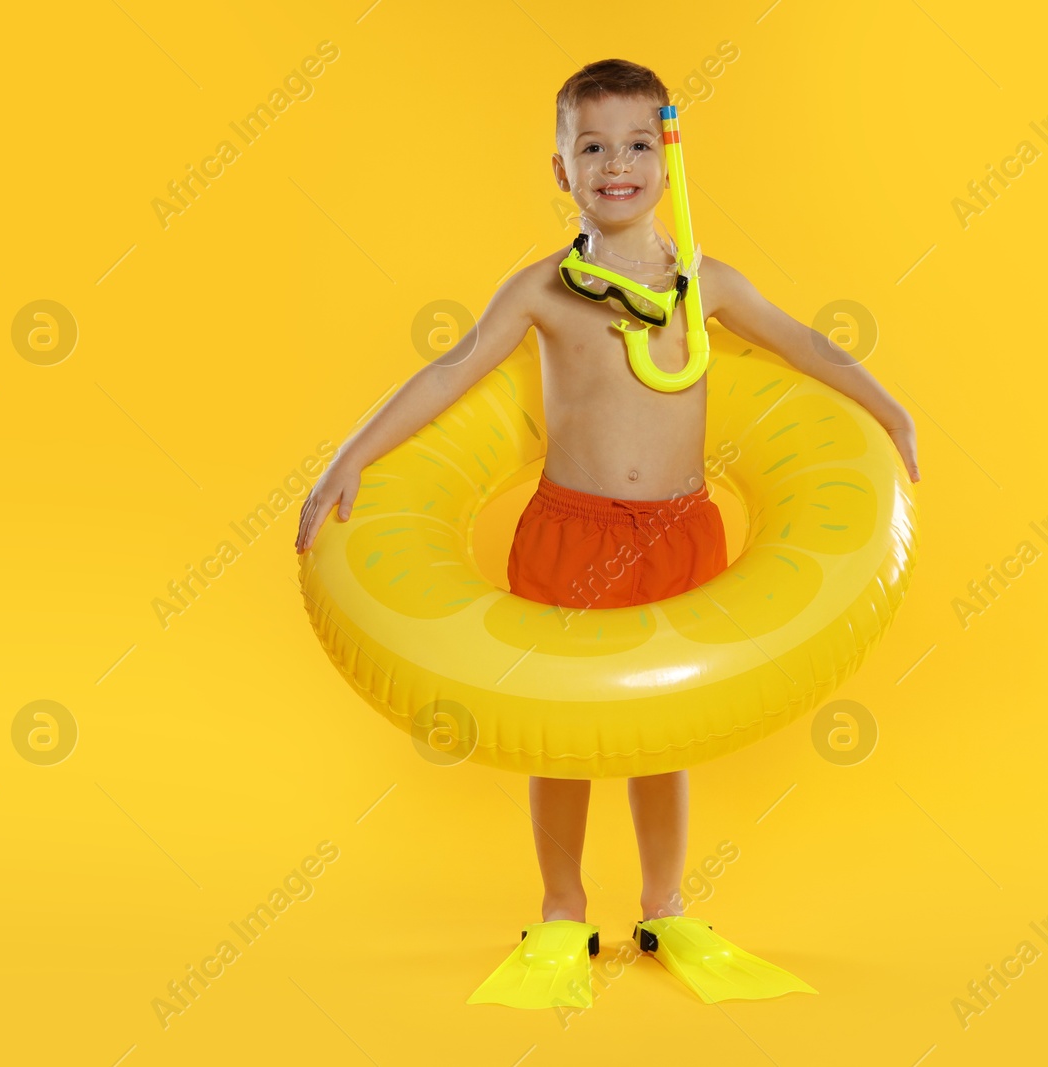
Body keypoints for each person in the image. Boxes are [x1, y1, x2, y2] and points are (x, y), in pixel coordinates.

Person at [296, 57, 920, 1008]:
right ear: (562, 170)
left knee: (658, 731)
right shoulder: (544, 291)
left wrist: (887, 407)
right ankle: (560, 909)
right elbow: (449, 373)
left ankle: (665, 904)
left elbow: (803, 341)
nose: (615, 164)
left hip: (679, 532)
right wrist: (349, 453)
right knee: (560, 732)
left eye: (636, 145)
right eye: (591, 147)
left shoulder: (705, 286)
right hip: (568, 535)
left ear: (667, 163)